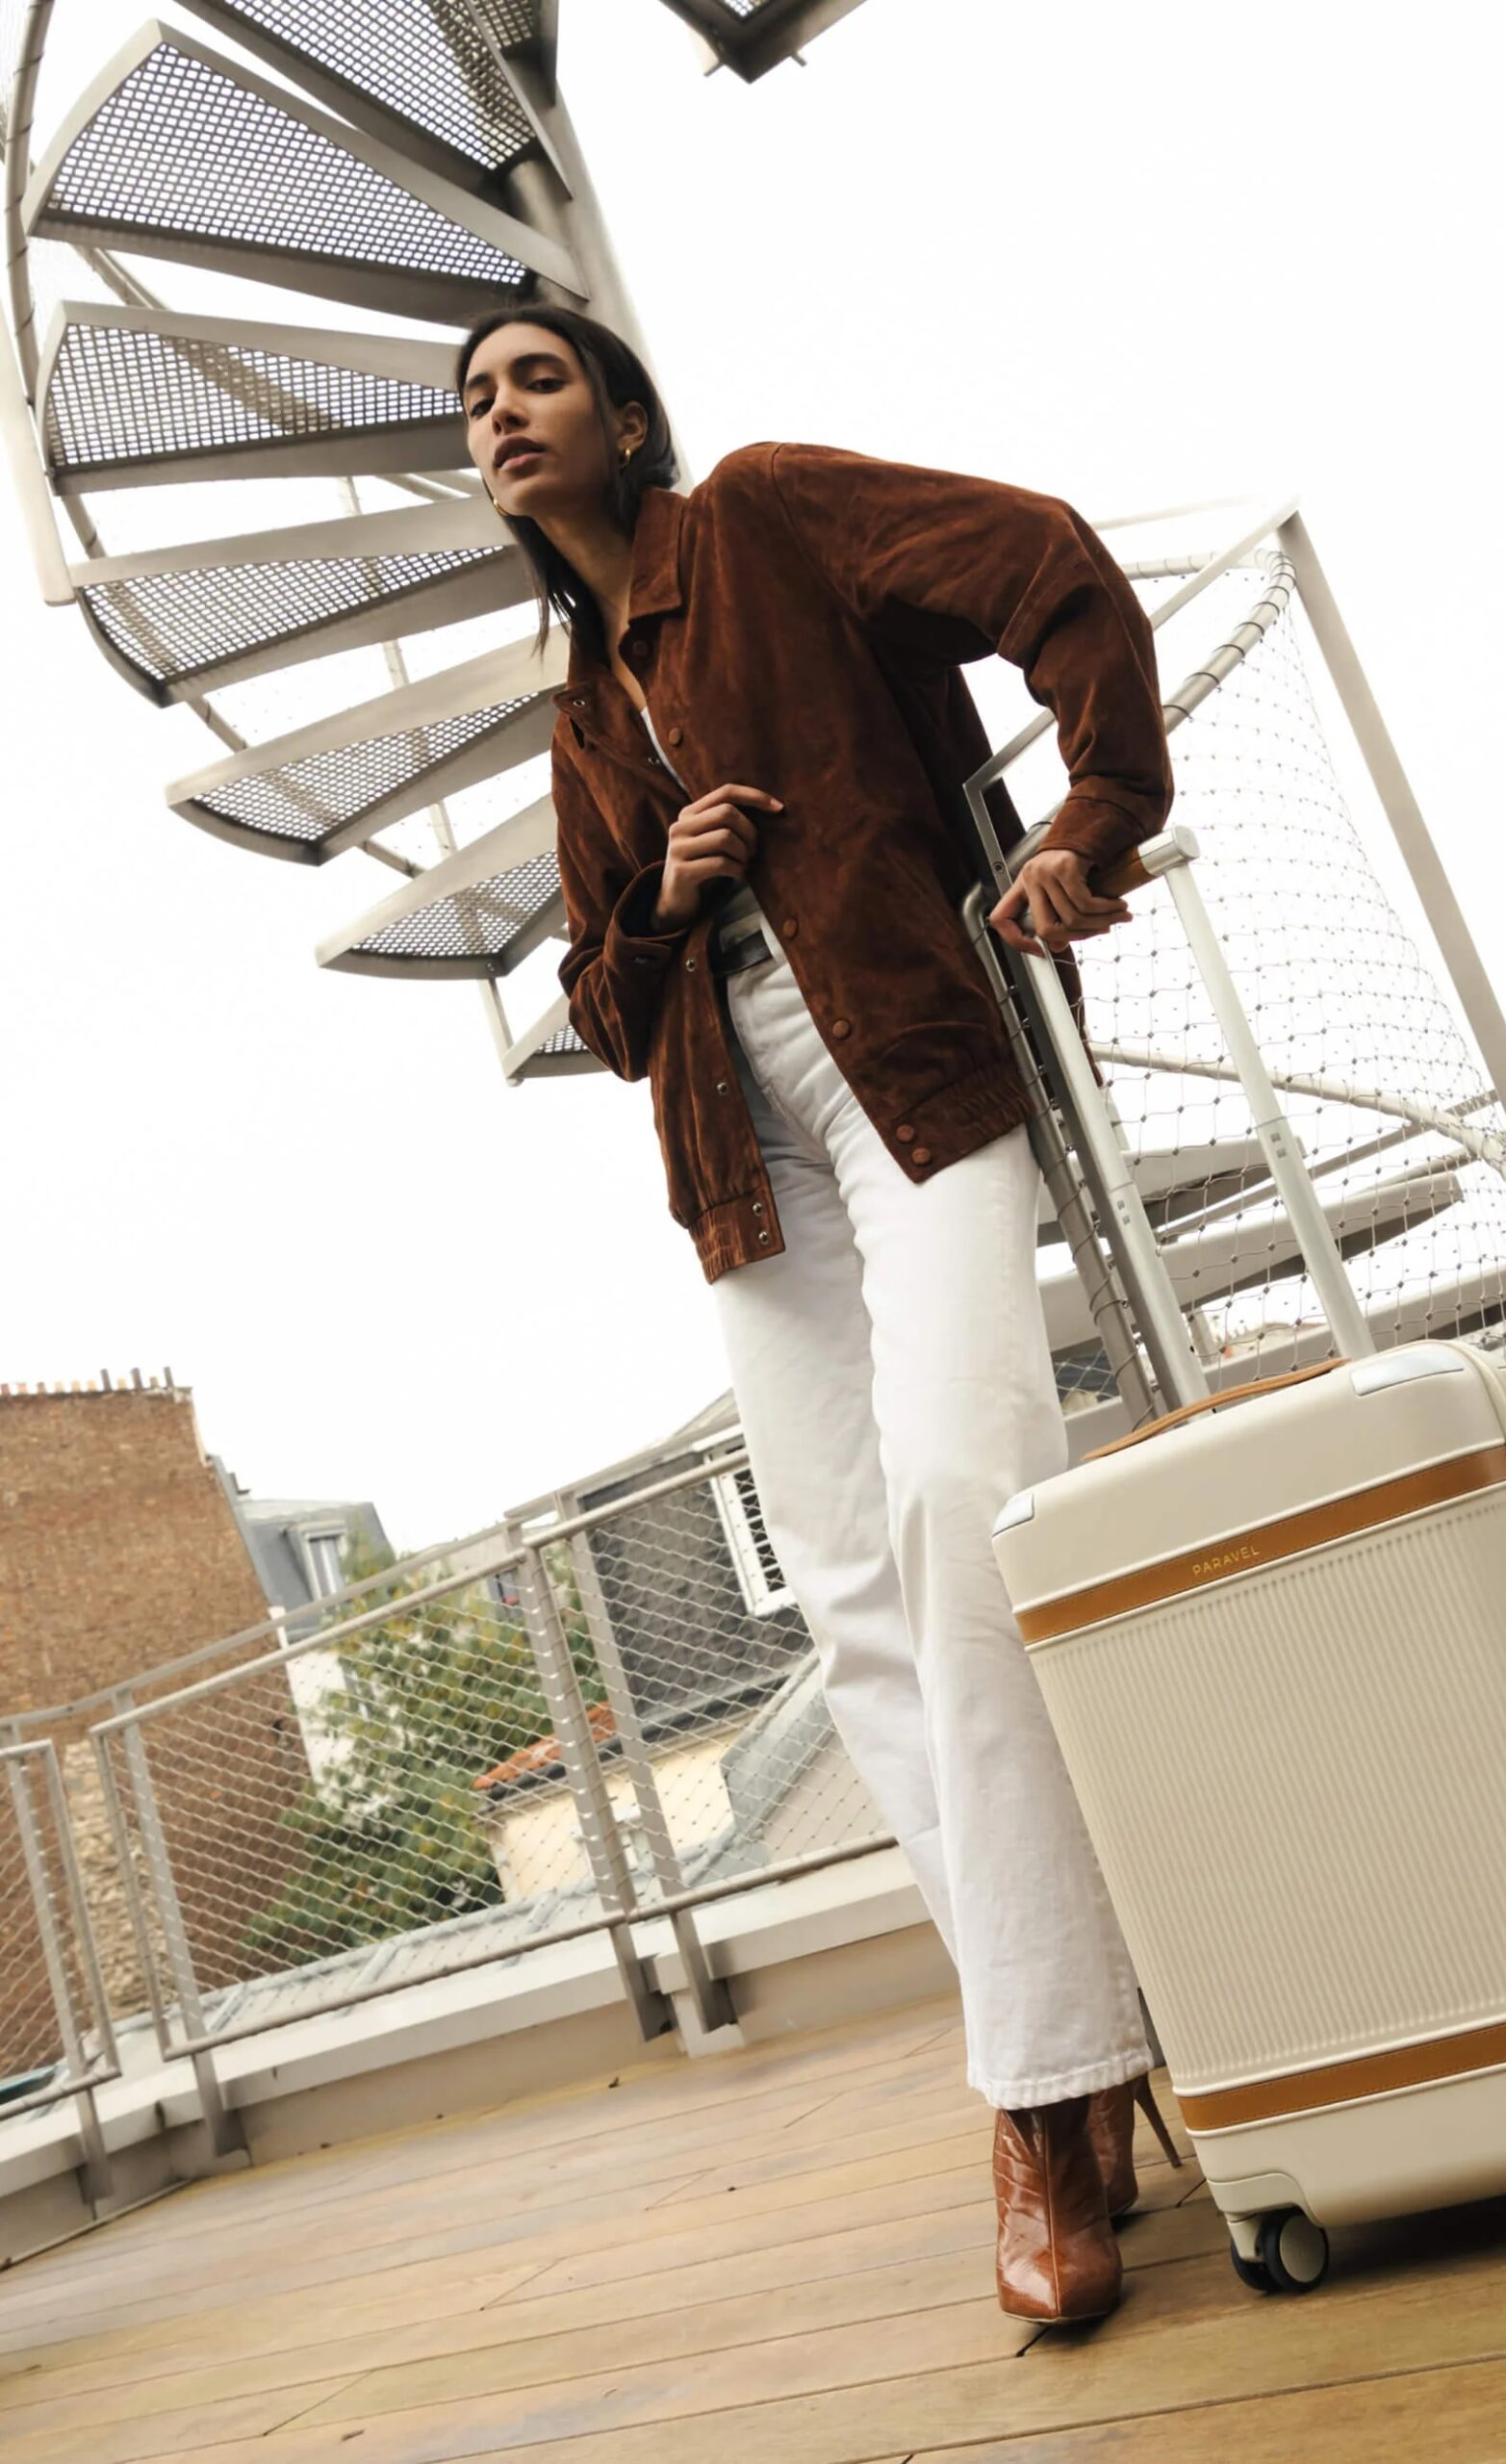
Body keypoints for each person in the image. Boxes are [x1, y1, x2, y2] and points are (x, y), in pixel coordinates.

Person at [457, 304, 1181, 2323]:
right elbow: (606, 1015)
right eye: (471, 406)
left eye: (530, 379)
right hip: (742, 1158)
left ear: (620, 412)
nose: (497, 415)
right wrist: (668, 890)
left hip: (915, 1075)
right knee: (853, 1598)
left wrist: (1086, 820)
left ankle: (1040, 2101)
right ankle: (1070, 2049)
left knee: (968, 1508)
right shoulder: (584, 715)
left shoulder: (768, 515)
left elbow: (1049, 564)